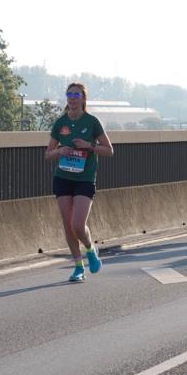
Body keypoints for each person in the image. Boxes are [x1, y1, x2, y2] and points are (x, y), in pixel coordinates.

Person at [45, 82, 114, 282]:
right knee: (68, 226)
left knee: (77, 224)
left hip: (84, 179)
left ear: (83, 99)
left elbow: (109, 150)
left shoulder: (92, 122)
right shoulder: (60, 123)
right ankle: (78, 266)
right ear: (67, 99)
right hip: (63, 178)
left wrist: (89, 146)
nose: (73, 98)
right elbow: (47, 154)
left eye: (77, 94)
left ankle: (90, 250)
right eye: (69, 94)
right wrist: (59, 151)